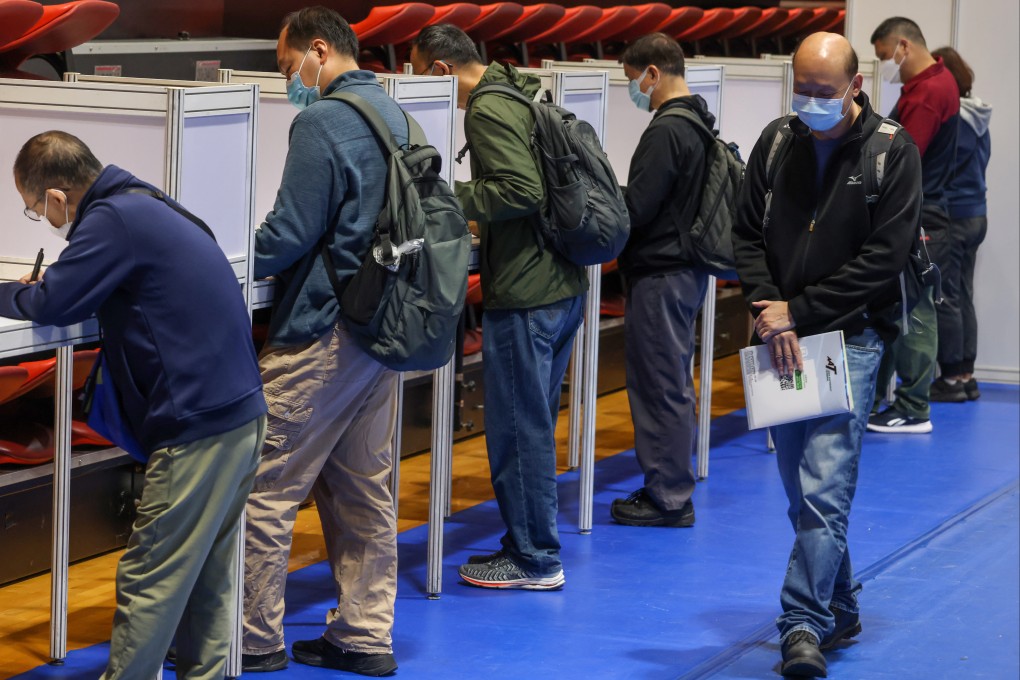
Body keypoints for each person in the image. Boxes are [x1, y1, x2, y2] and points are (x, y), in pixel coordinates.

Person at [0, 131, 267, 679]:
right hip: (239, 414)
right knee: (207, 580)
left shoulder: (109, 221)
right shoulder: (148, 202)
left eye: (35, 211)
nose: (44, 221)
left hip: (196, 428)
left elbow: (53, 303)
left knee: (151, 578)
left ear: (56, 195)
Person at [732, 33, 921, 677]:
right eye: (801, 89)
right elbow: (744, 232)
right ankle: (839, 604)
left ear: (854, 88)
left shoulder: (893, 154)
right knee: (799, 491)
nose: (809, 103)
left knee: (824, 489)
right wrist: (768, 309)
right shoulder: (777, 142)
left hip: (852, 338)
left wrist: (801, 312)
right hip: (778, 339)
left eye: (823, 92)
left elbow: (884, 259)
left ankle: (801, 623)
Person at [240, 7, 405, 675]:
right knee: (363, 488)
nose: (290, 83)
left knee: (263, 488)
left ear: (316, 51)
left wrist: (224, 251)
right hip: (382, 329)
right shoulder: (393, 112)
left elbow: (286, 235)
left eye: (287, 68)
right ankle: (364, 635)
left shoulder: (322, 122)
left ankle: (251, 639)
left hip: (323, 331)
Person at [410, 24, 587, 590]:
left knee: (518, 431)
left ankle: (535, 558)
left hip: (527, 293)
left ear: (440, 69)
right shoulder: (518, 88)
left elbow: (520, 190)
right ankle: (531, 546)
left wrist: (447, 197)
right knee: (533, 424)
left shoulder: (484, 109)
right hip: (562, 283)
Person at [607, 33, 711, 528]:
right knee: (671, 379)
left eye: (634, 80)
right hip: (684, 270)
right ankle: (670, 484)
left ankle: (668, 495)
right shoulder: (698, 118)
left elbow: (637, 208)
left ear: (653, 72)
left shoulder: (667, 129)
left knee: (660, 385)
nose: (635, 91)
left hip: (661, 272)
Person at [867, 17, 960, 432]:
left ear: (903, 46)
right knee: (899, 306)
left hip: (920, 215)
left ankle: (913, 406)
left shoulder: (927, 94)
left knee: (915, 310)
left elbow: (904, 161)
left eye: (884, 56)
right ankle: (892, 399)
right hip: (919, 211)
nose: (886, 64)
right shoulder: (932, 83)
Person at [929, 46, 991, 402]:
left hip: (953, 213)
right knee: (962, 293)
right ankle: (965, 373)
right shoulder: (979, 115)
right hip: (977, 212)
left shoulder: (955, 120)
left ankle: (952, 378)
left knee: (947, 295)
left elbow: (944, 168)